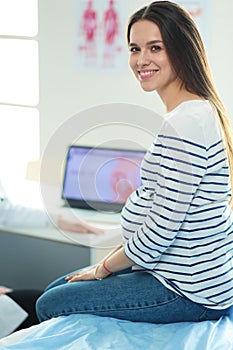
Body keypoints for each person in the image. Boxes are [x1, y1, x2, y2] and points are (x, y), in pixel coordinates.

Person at [36, 1, 233, 324]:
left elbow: (161, 229)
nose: (142, 60)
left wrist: (103, 268)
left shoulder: (188, 123)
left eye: (155, 48)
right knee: (56, 289)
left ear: (182, 49)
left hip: (188, 291)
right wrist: (110, 260)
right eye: (134, 48)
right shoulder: (189, 115)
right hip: (170, 273)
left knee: (51, 304)